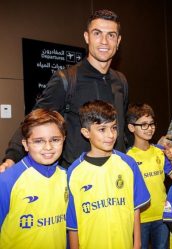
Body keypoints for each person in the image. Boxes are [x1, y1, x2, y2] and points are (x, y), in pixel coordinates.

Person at [1, 9, 128, 170]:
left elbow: (123, 128)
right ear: (87, 37)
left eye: (111, 35)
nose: (104, 41)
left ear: (118, 41)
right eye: (97, 33)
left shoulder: (121, 81)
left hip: (116, 173)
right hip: (78, 177)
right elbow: (32, 121)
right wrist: (12, 157)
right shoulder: (66, 79)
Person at [66, 100, 150, 249]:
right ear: (86, 133)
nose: (111, 135)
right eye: (102, 129)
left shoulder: (128, 164)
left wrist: (137, 244)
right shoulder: (75, 172)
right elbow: (73, 224)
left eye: (114, 128)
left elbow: (135, 209)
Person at [0, 109, 67, 249]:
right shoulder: (7, 180)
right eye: (38, 141)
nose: (48, 147)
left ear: (64, 140)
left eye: (55, 140)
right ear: (25, 144)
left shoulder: (67, 177)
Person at [126, 103, 172, 249]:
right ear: (131, 127)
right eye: (143, 124)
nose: (149, 128)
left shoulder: (160, 151)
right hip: (139, 219)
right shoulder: (127, 158)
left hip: (161, 216)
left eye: (151, 124)